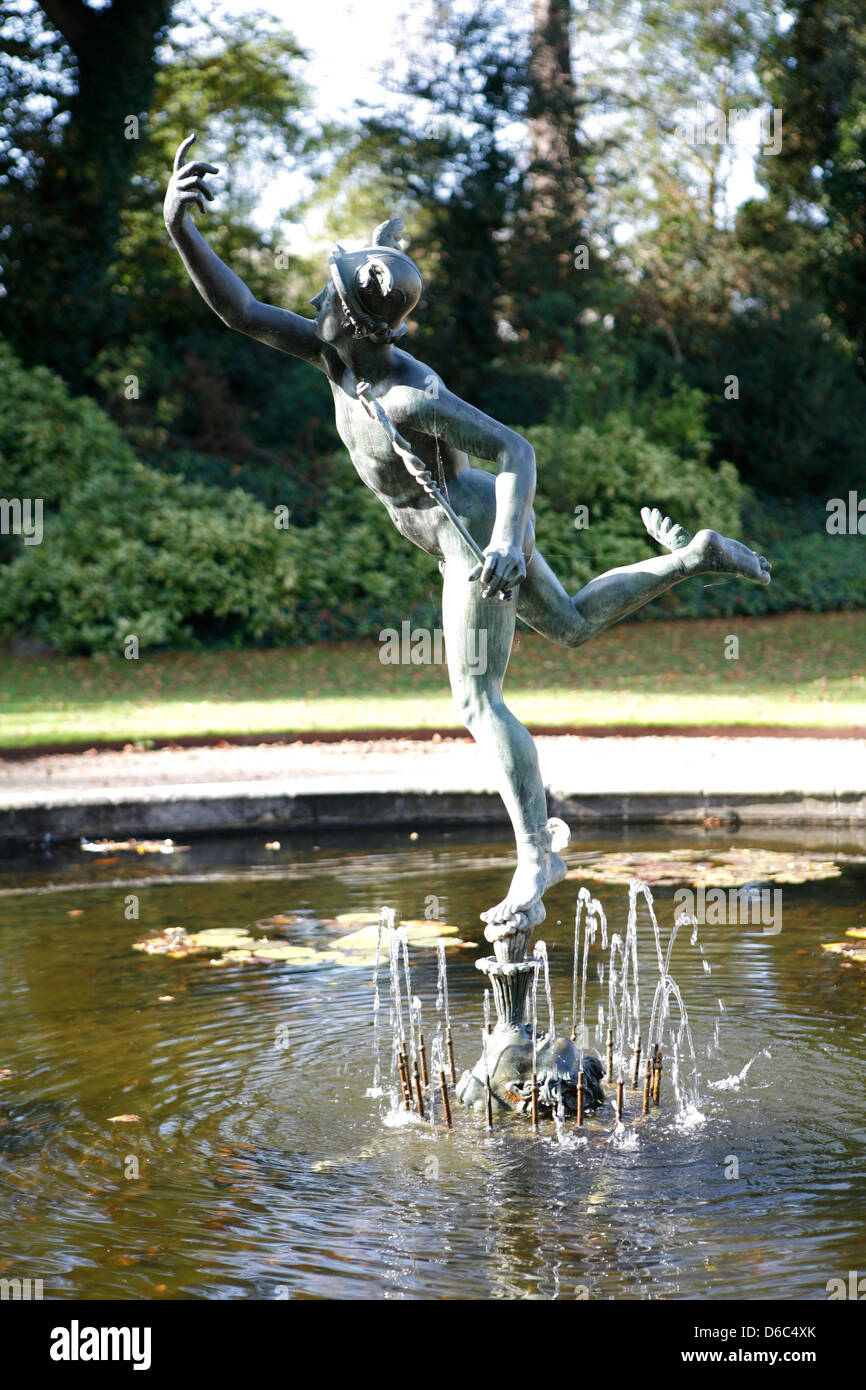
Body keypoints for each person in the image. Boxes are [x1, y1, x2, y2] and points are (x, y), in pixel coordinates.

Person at [164, 134, 771, 942]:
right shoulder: (335, 356)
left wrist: (508, 544)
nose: (311, 299)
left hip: (472, 533)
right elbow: (240, 310)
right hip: (475, 525)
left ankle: (535, 855)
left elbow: (516, 450)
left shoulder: (410, 397)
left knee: (474, 697)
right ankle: (695, 557)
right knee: (577, 626)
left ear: (349, 313)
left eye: (325, 290)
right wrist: (180, 228)